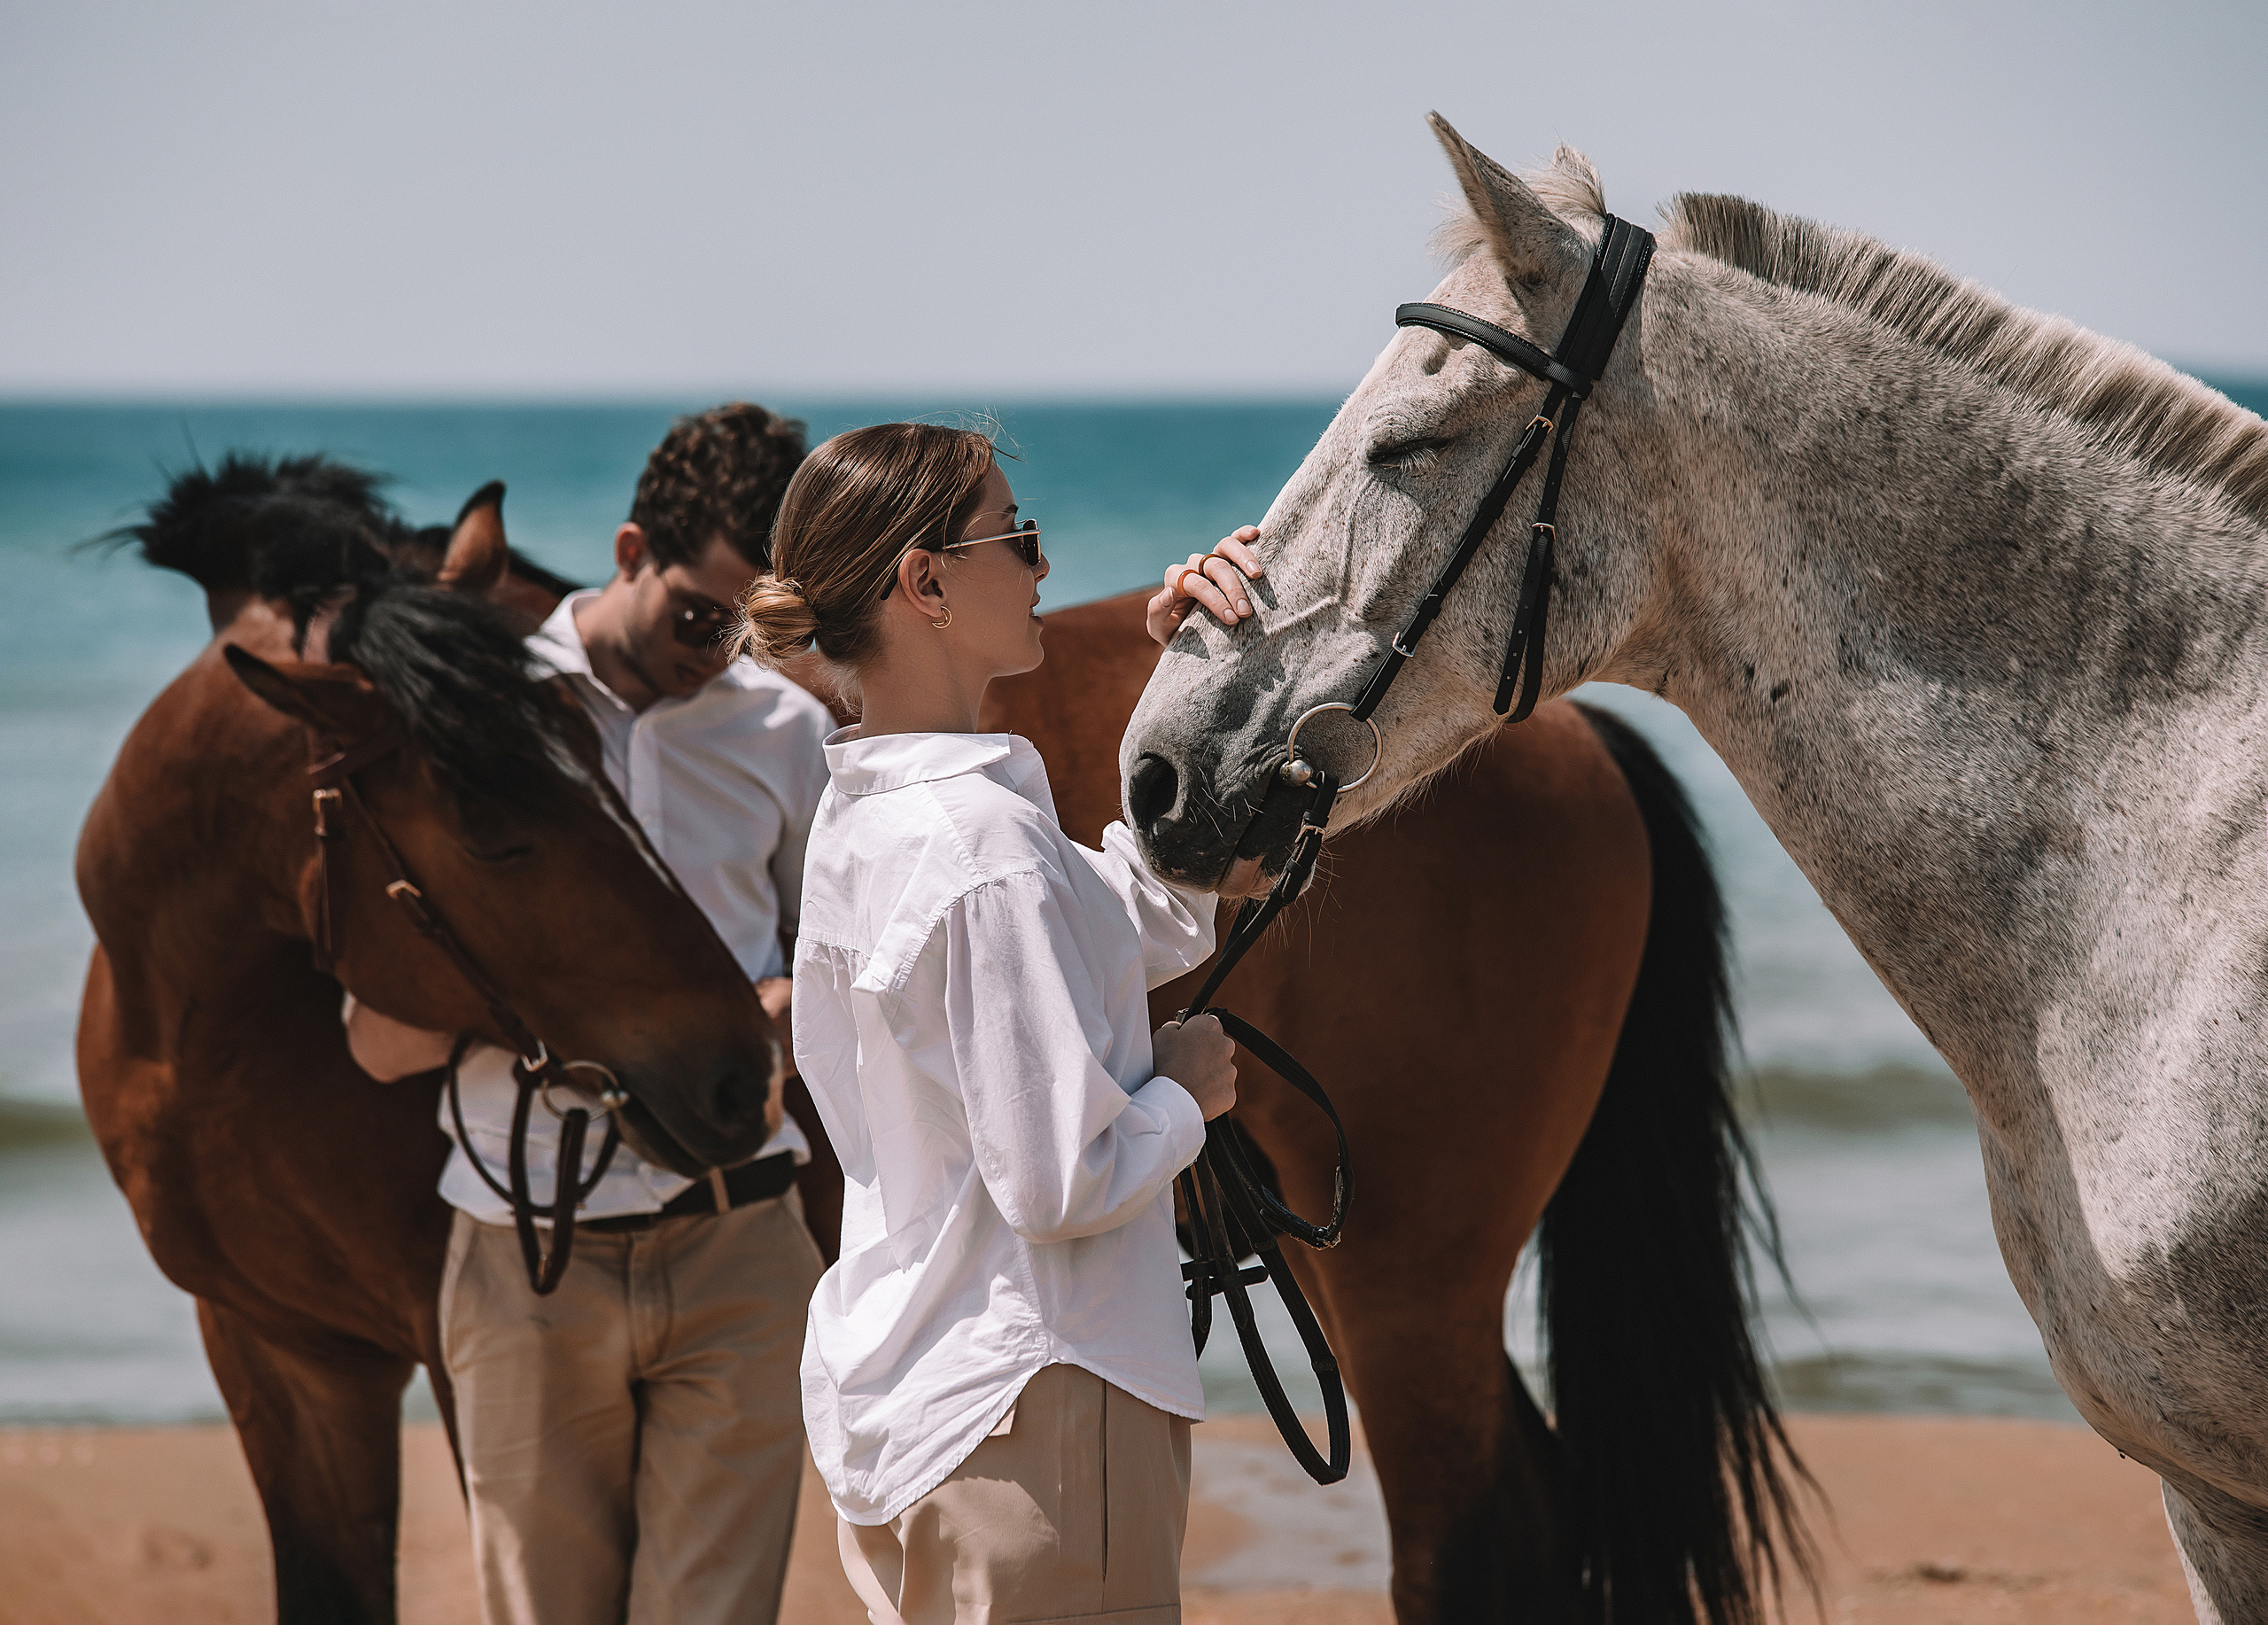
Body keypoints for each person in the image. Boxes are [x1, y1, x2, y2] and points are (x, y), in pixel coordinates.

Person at [734, 422, 1266, 1624]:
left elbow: (1129, 921)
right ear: (926, 581)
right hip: (1043, 1406)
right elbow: (1056, 1182)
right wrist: (1183, 1091)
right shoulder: (979, 844)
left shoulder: (866, 816)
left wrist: (1187, 674)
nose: (1039, 565)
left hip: (932, 1397)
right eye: (1015, 537)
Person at [345, 401, 835, 1625]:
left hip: (740, 1246)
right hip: (523, 1256)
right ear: (627, 552)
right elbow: (380, 1033)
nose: (718, 646)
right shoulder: (486, 703)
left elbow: (841, 962)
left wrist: (778, 1008)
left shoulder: (784, 729)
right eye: (696, 613)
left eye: (749, 621)